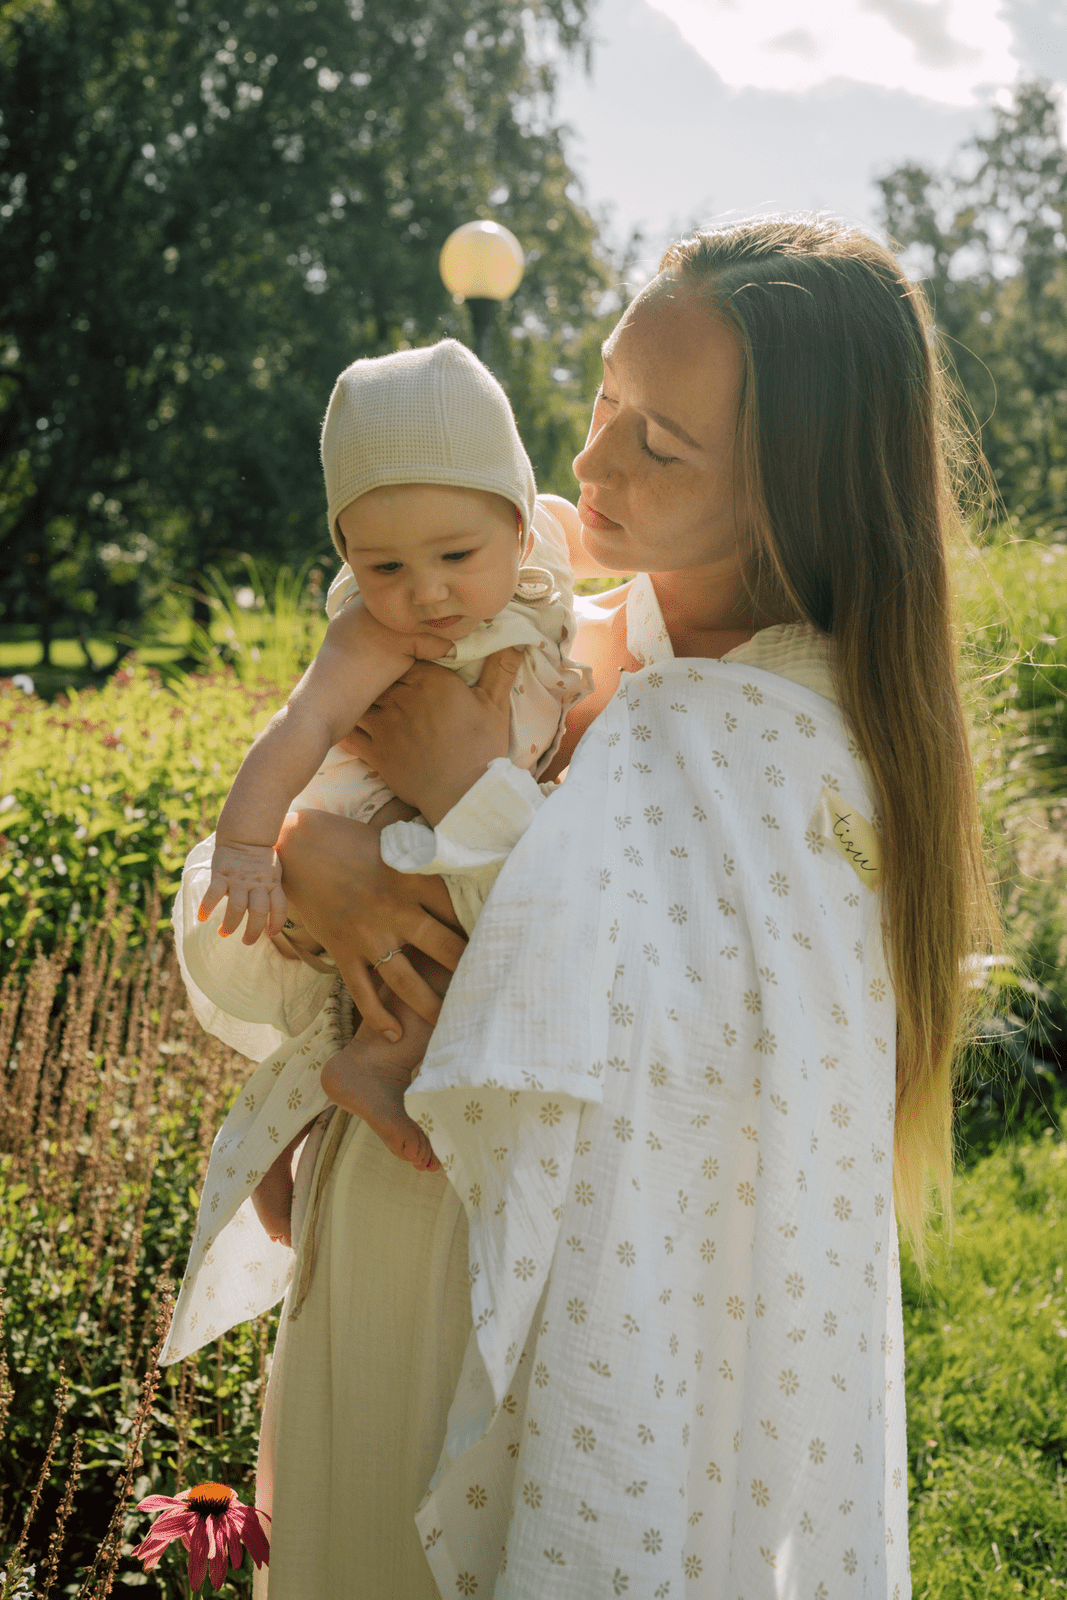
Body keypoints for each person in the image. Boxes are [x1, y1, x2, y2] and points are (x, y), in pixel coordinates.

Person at [165, 217, 995, 1599]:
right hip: (376, 1254)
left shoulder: (806, 748)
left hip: (568, 1327)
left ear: (796, 486)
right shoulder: (537, 640)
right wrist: (317, 865)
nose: (588, 460)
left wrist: (474, 796)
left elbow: (685, 1068)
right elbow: (234, 898)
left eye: (657, 445)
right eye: (605, 400)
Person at [186, 337, 591, 1189]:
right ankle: (368, 1069)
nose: (426, 592)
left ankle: (286, 1136)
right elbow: (303, 722)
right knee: (436, 938)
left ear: (518, 523)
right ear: (346, 552)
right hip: (380, 825)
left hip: (461, 804)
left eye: (455, 557)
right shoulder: (375, 634)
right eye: (384, 566)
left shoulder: (542, 549)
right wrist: (246, 843)